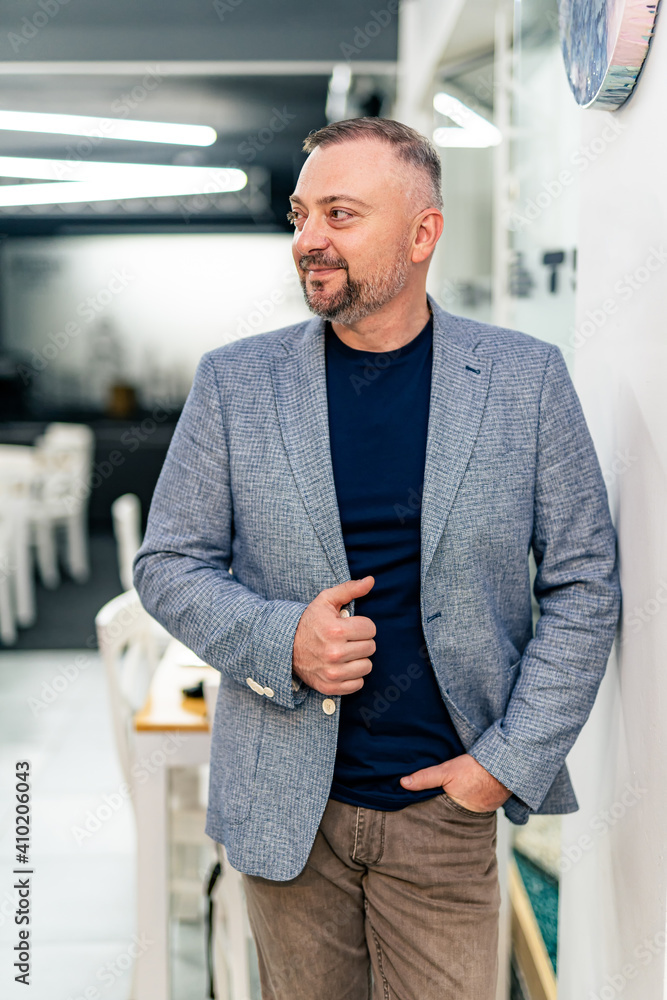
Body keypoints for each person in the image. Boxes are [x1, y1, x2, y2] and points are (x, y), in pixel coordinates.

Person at [133, 116, 621, 1000]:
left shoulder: (525, 381)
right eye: (300, 214)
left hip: (445, 809)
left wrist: (505, 764)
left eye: (340, 214)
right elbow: (167, 562)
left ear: (423, 232)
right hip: (286, 810)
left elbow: (584, 583)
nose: (309, 239)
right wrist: (282, 639)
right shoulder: (235, 383)